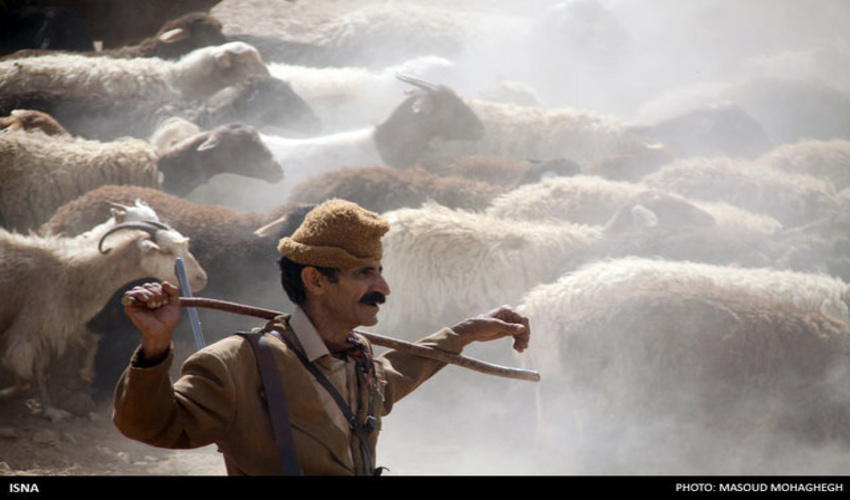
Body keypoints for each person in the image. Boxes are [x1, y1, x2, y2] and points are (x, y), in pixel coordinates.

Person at [112, 198, 531, 476]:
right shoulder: (236, 362)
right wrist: (155, 346)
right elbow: (153, 426)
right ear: (315, 280)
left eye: (379, 270)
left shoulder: (357, 354)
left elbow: (386, 382)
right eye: (364, 273)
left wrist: (464, 333)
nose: (383, 288)